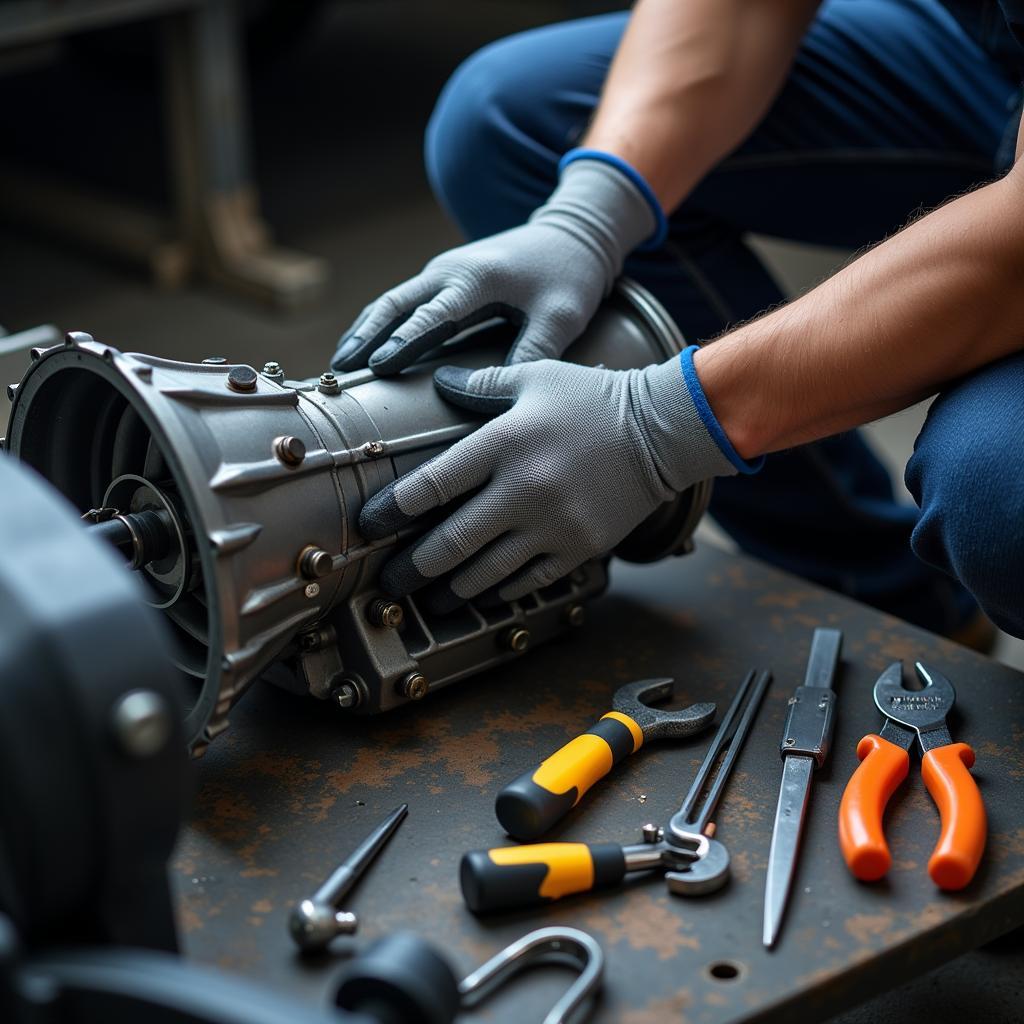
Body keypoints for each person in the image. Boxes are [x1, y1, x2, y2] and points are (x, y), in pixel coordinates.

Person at [332, 0, 1024, 642]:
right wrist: (589, 214)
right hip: (991, 60)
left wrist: (660, 426)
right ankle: (895, 596)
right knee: (508, 120)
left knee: (998, 493)